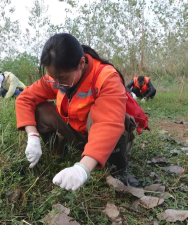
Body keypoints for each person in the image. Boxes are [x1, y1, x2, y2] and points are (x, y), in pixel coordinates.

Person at [15, 33, 141, 191]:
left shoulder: (106, 77)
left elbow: (108, 124)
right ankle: (58, 152)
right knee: (41, 109)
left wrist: (83, 169)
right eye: (54, 78)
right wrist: (32, 136)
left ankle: (119, 170)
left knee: (118, 118)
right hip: (80, 134)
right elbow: (25, 98)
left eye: (63, 78)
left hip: (110, 139)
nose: (58, 83)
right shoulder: (56, 77)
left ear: (81, 63)